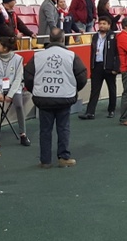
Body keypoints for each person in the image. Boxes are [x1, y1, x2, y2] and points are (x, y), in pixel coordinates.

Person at [24, 29, 88, 168]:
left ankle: (45, 161)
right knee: (63, 128)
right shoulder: (71, 55)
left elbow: (28, 77)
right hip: (64, 97)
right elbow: (82, 76)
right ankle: (63, 157)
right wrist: (73, 90)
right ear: (63, 39)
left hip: (43, 98)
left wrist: (36, 90)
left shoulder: (38, 56)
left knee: (45, 130)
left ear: (50, 39)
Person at [0, 36, 29, 147]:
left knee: (19, 105)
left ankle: (23, 134)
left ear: (5, 48)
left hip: (14, 88)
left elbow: (18, 79)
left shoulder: (18, 59)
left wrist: (10, 94)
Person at [80, 16, 119, 119]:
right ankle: (90, 112)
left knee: (112, 89)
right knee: (94, 90)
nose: (101, 25)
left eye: (104, 24)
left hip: (109, 67)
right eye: (100, 23)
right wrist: (92, 67)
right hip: (97, 66)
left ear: (109, 25)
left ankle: (111, 110)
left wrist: (116, 68)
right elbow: (93, 52)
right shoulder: (95, 36)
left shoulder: (113, 36)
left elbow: (117, 53)